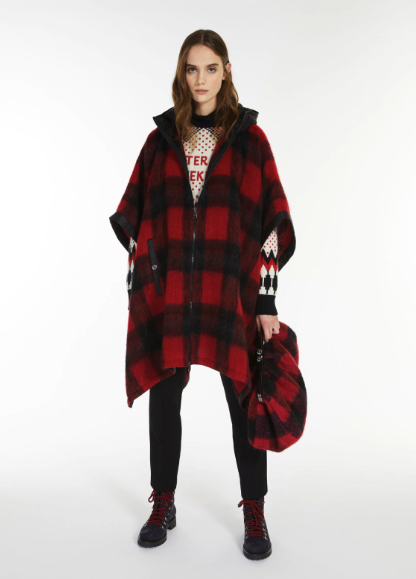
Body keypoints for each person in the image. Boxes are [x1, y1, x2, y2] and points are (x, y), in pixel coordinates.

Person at [109, 29, 296, 561]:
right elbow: (137, 218)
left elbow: (272, 224)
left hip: (228, 291)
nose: (201, 80)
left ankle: (254, 507)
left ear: (226, 71)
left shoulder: (250, 140)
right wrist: (143, 284)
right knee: (164, 396)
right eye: (192, 69)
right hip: (173, 292)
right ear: (181, 73)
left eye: (210, 68)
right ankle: (163, 502)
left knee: (244, 400)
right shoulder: (162, 140)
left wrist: (265, 302)